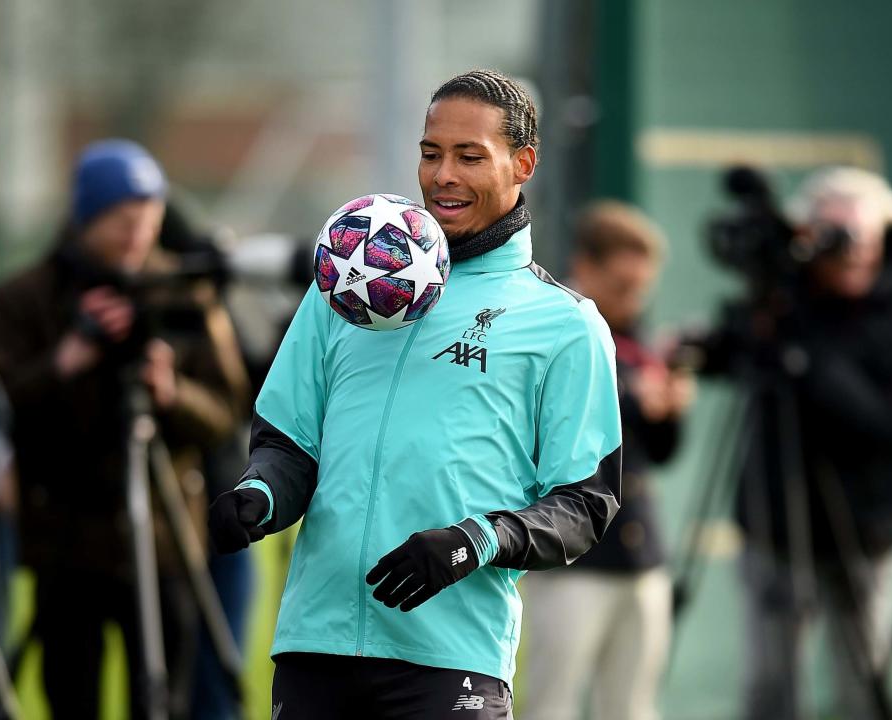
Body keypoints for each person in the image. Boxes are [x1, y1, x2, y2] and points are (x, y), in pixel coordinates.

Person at [208, 69, 622, 720]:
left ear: (524, 164)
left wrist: (474, 539)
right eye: (431, 154)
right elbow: (289, 447)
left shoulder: (565, 324)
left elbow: (584, 503)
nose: (442, 176)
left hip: (452, 661)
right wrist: (257, 497)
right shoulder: (346, 288)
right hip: (314, 647)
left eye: (468, 156)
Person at [0, 139, 249, 719]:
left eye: (149, 219)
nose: (137, 235)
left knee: (163, 701)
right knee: (69, 694)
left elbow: (228, 409)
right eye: (122, 220)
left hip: (163, 537)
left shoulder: (181, 291)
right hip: (65, 539)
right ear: (86, 217)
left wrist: (171, 392)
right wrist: (65, 361)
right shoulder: (28, 297)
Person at [700, 167, 892, 719]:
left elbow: (888, 421)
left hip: (864, 529)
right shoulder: (788, 301)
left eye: (860, 239)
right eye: (834, 240)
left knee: (863, 683)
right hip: (776, 527)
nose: (850, 254)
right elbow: (735, 354)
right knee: (772, 686)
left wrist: (808, 359)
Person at [520, 201, 693, 720]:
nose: (633, 299)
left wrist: (668, 411)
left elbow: (658, 454)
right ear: (587, 267)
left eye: (642, 286)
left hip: (641, 556)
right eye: (621, 285)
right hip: (570, 558)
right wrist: (636, 398)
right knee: (552, 706)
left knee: (634, 708)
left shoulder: (634, 333)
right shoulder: (551, 320)